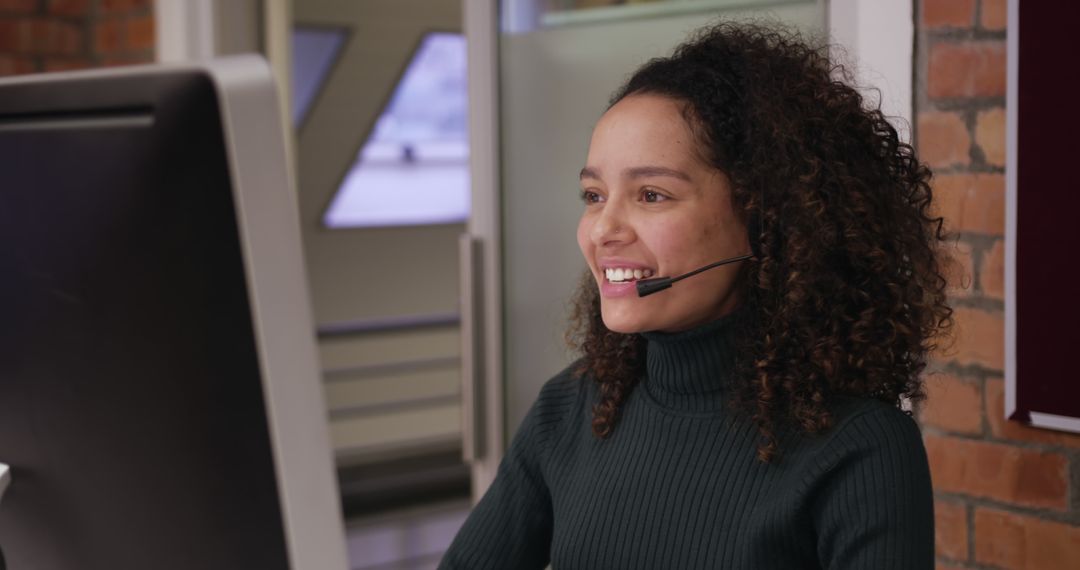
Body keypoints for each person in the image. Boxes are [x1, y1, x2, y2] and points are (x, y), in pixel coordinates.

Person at [439, 21, 952, 570]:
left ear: (766, 221)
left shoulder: (859, 448)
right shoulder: (571, 408)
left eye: (652, 194)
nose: (603, 229)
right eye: (594, 195)